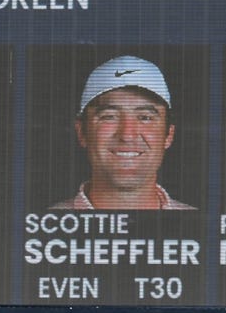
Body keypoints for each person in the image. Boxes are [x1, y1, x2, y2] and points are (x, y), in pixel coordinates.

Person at [51, 55, 193, 210]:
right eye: (109, 117)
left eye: (145, 117)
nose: (127, 135)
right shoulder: (42, 228)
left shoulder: (200, 228)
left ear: (169, 135)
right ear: (82, 132)